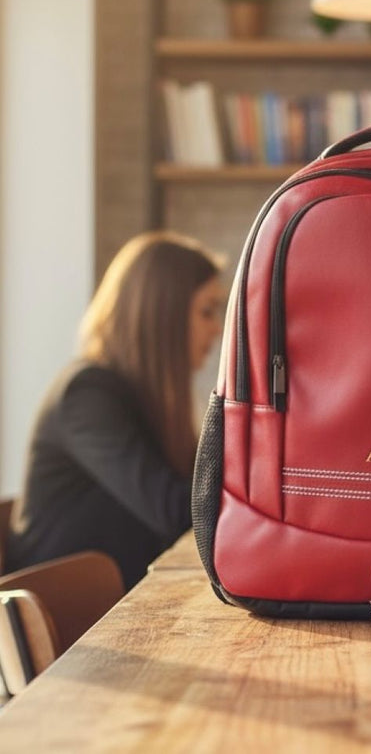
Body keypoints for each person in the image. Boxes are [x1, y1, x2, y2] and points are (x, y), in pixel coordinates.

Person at [6, 231, 225, 588]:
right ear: (161, 316)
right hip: (72, 615)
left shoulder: (139, 395)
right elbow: (175, 511)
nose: (217, 329)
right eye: (206, 311)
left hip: (119, 599)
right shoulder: (86, 394)